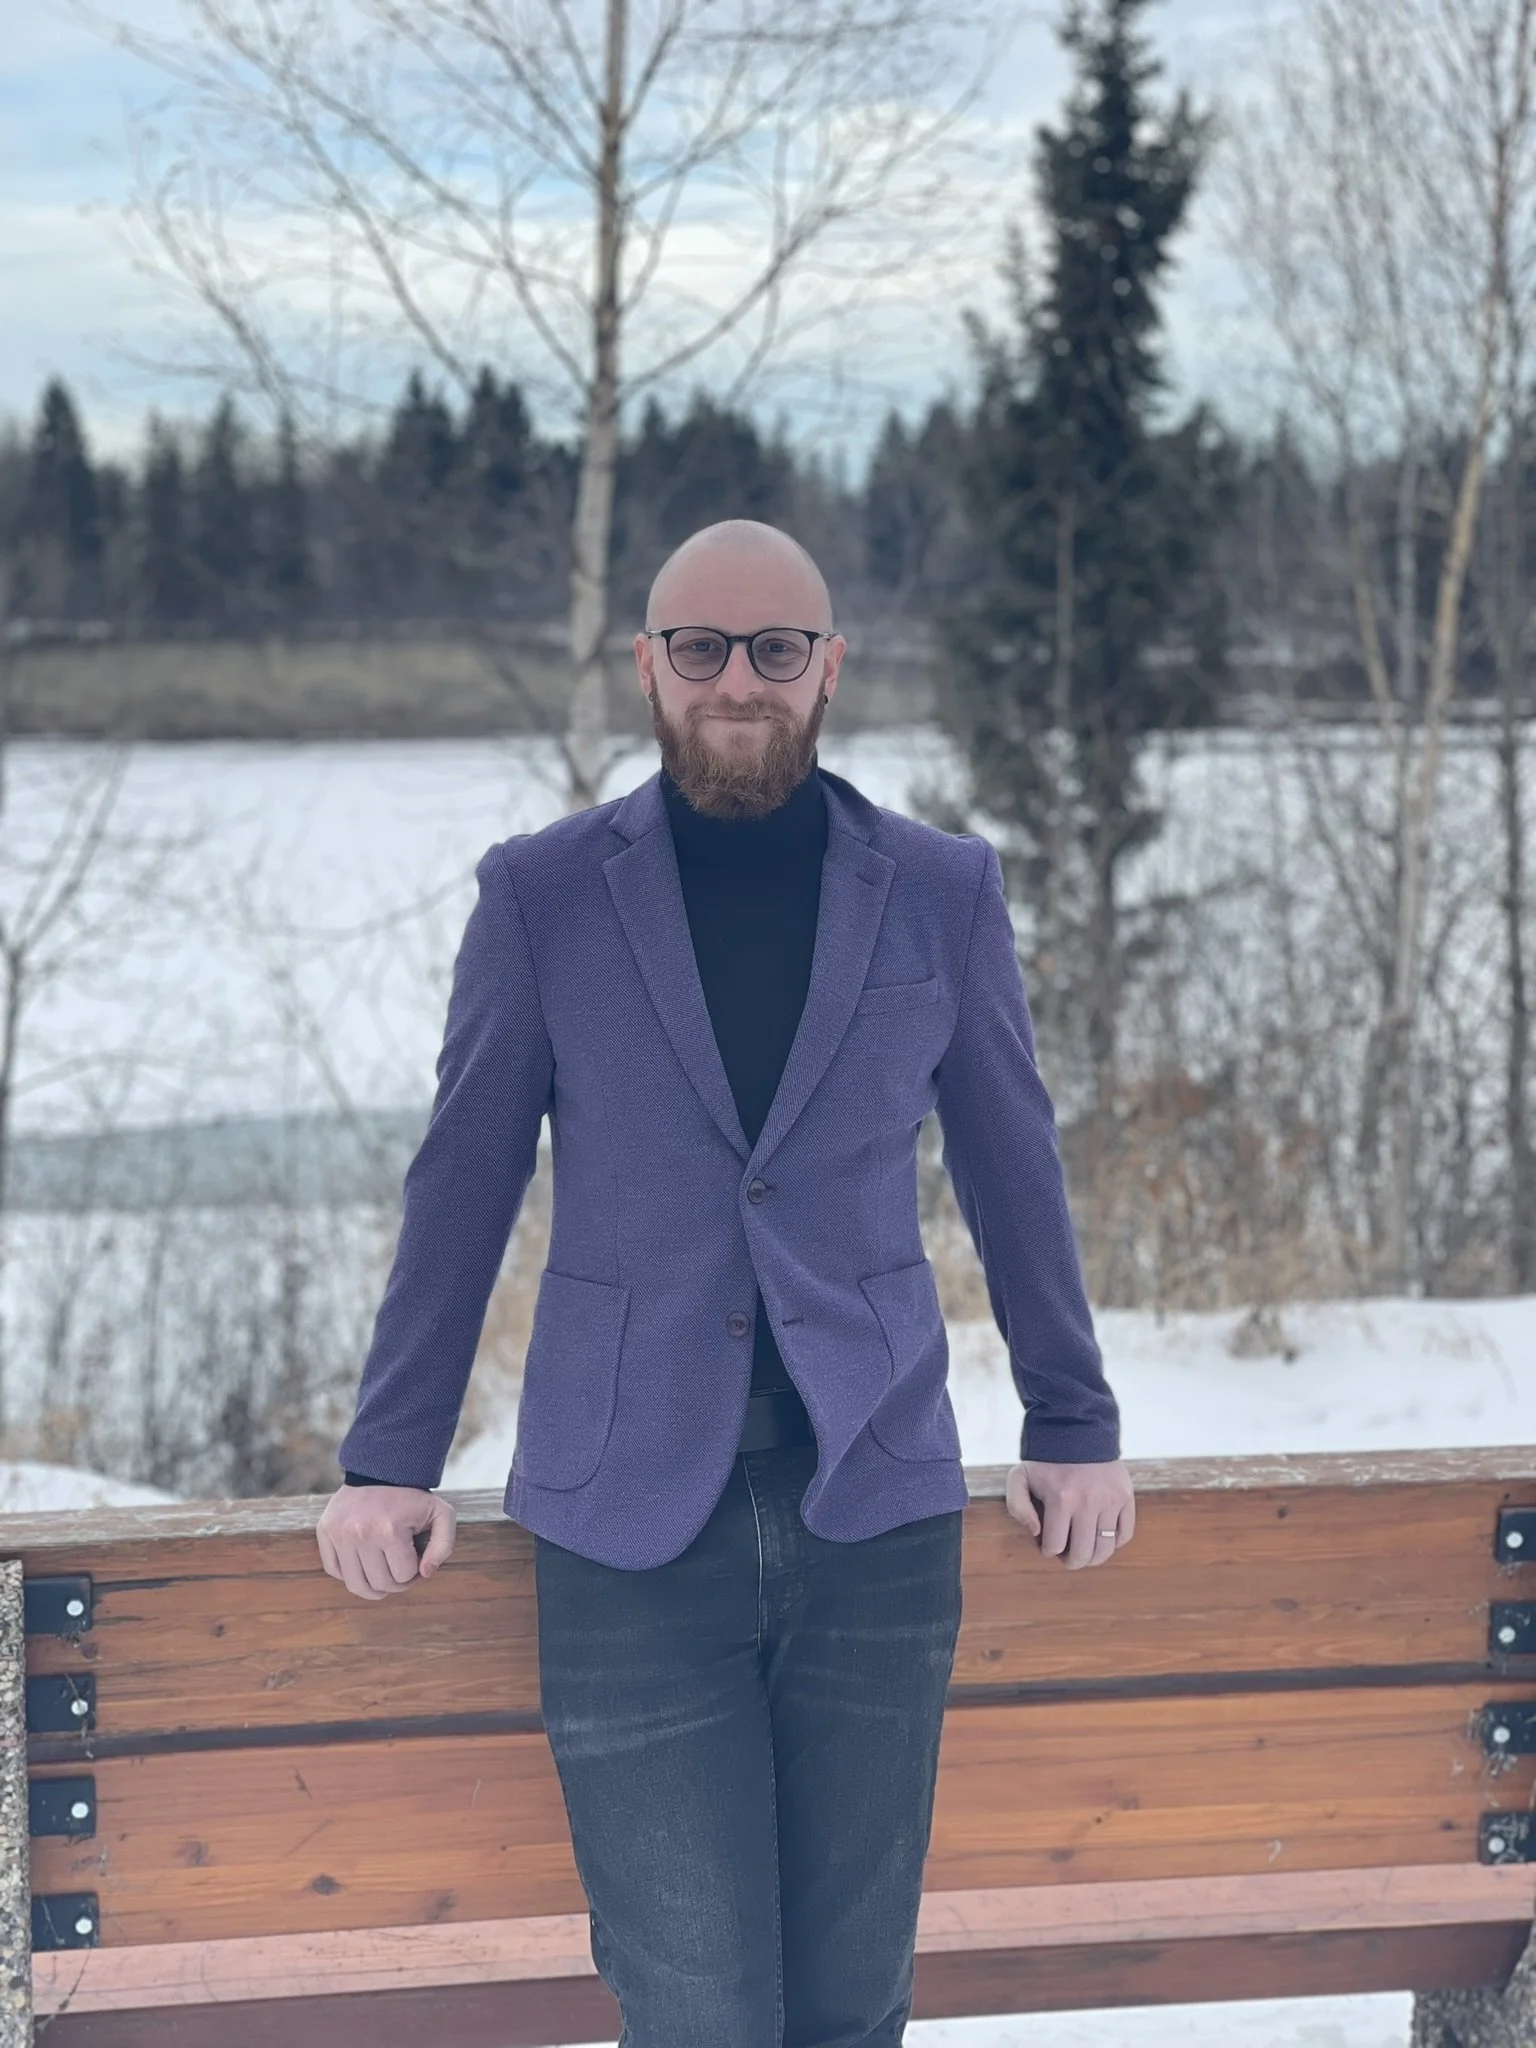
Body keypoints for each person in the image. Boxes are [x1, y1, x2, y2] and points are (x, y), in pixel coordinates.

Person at [317, 518, 1133, 2047]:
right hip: (628, 1530)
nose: (737, 679)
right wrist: (388, 1457)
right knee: (699, 2010)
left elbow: (1013, 1164)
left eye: (774, 648)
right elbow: (464, 1177)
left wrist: (1073, 1419)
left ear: (831, 668)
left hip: (874, 1512)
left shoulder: (942, 892)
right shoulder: (544, 896)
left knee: (851, 2008)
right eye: (700, 648)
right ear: (648, 666)